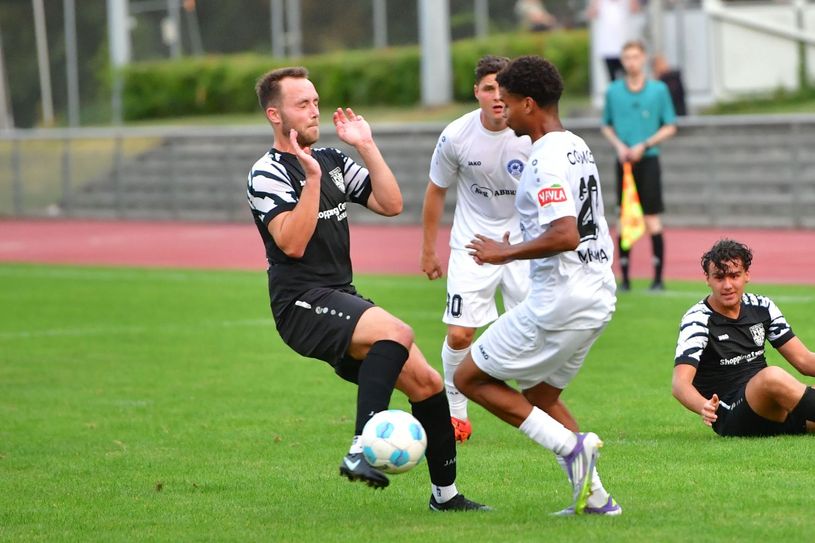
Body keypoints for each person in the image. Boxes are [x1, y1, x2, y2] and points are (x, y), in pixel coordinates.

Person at [247, 66, 490, 511]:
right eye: (302, 104)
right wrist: (313, 181)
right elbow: (293, 243)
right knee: (397, 332)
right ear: (275, 115)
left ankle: (446, 496)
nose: (314, 111)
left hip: (340, 292)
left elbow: (391, 203)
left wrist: (365, 145)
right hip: (300, 303)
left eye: (316, 101)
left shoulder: (335, 160)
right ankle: (362, 446)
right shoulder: (266, 174)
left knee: (428, 383)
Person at [454, 55, 621, 516]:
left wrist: (501, 252)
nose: (501, 111)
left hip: (560, 300)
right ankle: (597, 498)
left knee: (468, 377)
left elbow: (566, 232)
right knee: (541, 397)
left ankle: (573, 448)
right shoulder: (576, 145)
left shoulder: (544, 158)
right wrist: (522, 237)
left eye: (506, 103)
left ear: (529, 103)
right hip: (597, 294)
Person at [421, 55, 532, 444]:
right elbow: (436, 191)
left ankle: (535, 411)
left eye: (503, 88)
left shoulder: (530, 135)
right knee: (460, 335)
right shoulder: (456, 135)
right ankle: (456, 413)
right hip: (471, 243)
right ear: (477, 93)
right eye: (488, 88)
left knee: (530, 333)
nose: (497, 96)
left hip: (523, 246)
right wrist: (428, 250)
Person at [673, 239, 815, 436]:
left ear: (746, 275)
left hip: (773, 410)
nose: (728, 285)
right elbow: (680, 384)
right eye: (719, 277)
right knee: (771, 376)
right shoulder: (697, 319)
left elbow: (805, 361)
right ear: (707, 279)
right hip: (732, 415)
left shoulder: (762, 306)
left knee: (794, 387)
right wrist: (703, 406)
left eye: (734, 275)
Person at [601, 40, 677, 292]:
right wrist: (620, 146)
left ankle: (658, 278)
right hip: (624, 163)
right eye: (627, 57)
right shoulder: (613, 91)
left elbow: (670, 126)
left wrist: (644, 144)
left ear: (643, 58)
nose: (631, 62)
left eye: (635, 56)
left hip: (649, 159)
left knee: (652, 218)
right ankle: (624, 278)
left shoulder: (658, 90)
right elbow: (606, 125)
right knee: (624, 217)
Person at [587, 0, 640, 81]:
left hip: (624, 47)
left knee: (629, 76)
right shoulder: (601, 2)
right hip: (607, 47)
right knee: (612, 78)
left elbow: (635, 10)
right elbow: (591, 14)